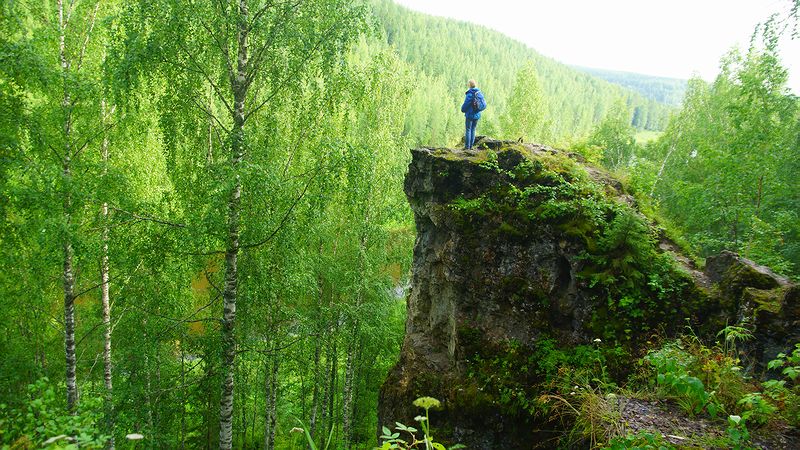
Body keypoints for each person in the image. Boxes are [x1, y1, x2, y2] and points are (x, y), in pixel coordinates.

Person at [461, 79, 486, 149]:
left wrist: (462, 109)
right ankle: (471, 146)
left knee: (468, 130)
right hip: (477, 114)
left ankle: (467, 147)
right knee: (473, 129)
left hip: (470, 114)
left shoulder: (470, 93)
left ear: (469, 85)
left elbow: (466, 104)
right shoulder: (479, 92)